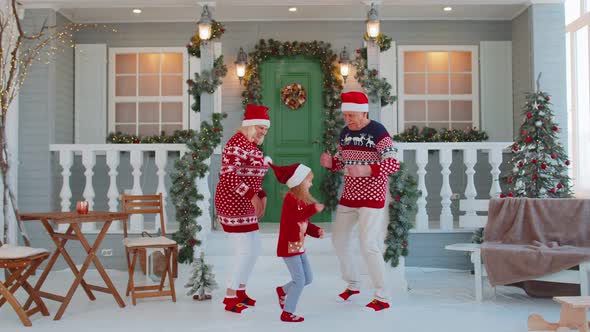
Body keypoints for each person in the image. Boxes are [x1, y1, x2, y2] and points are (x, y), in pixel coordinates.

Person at [320, 91, 400, 311]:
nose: (347, 120)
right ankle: (352, 284)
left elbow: (393, 164)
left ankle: (383, 297)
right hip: (349, 196)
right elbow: (341, 162)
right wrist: (330, 163)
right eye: (345, 115)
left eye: (352, 115)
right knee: (338, 241)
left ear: (364, 111)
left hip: (372, 196)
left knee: (368, 245)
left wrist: (366, 169)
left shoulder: (378, 131)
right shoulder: (345, 133)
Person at [214, 103, 272, 314]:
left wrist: (261, 196)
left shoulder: (251, 147)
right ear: (250, 125)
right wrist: (252, 197)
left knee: (255, 248)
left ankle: (240, 291)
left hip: (245, 204)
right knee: (245, 250)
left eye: (266, 129)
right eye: (260, 128)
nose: (263, 132)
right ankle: (230, 297)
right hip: (231, 203)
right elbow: (229, 177)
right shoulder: (235, 144)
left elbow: (253, 178)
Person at [269, 162, 325, 323]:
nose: (311, 183)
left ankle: (282, 290)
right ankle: (287, 313)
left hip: (298, 245)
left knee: (307, 279)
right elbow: (295, 217)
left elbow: (303, 222)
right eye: (309, 180)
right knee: (299, 280)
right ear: (299, 182)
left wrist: (316, 231)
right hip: (289, 246)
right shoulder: (291, 199)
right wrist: (313, 208)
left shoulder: (301, 200)